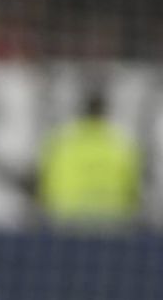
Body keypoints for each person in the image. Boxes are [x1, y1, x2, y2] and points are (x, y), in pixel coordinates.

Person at [37, 87, 142, 226]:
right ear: (105, 113)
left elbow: (43, 184)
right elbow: (134, 189)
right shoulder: (123, 144)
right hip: (112, 216)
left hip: (67, 216)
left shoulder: (60, 142)